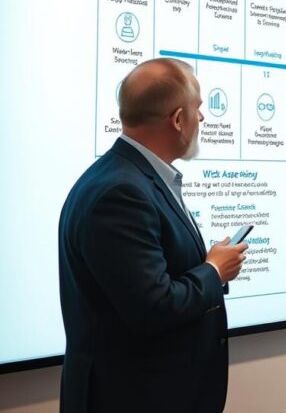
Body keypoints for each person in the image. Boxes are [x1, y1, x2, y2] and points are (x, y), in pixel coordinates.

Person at [58, 58, 247, 413]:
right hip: (134, 396)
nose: (202, 119)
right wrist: (213, 271)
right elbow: (153, 308)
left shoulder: (131, 178)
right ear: (178, 120)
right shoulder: (121, 193)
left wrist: (207, 265)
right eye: (198, 108)